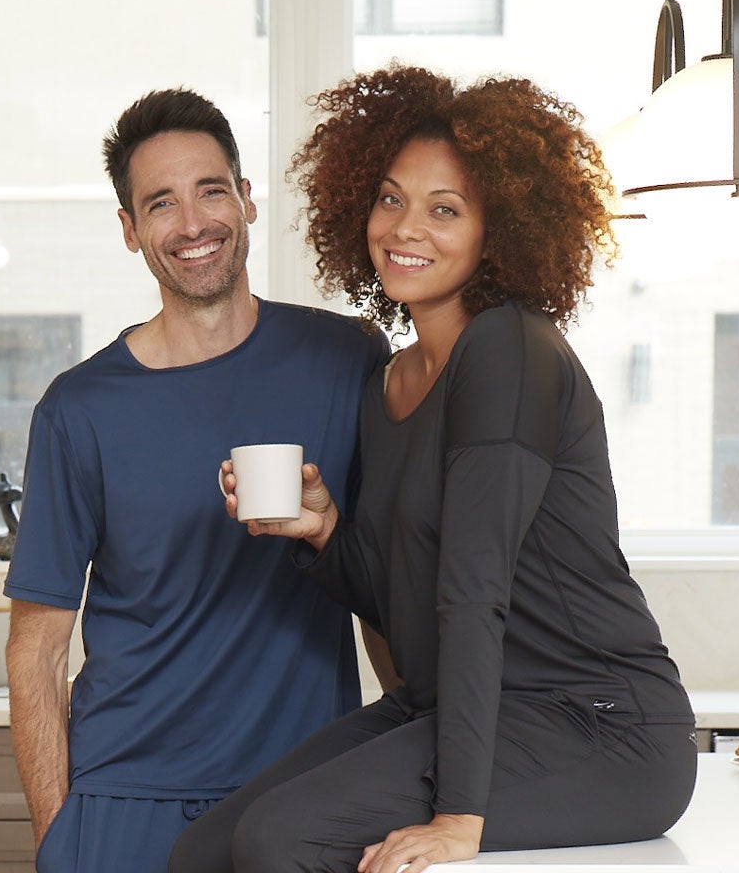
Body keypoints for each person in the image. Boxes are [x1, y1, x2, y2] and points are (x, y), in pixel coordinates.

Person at [168, 66, 696, 873]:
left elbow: (474, 590)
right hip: (455, 707)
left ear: (502, 230)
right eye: (390, 199)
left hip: (598, 726)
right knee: (202, 853)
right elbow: (404, 598)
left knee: (279, 842)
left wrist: (460, 816)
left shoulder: (509, 351)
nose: (405, 228)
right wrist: (324, 532)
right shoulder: (392, 382)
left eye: (445, 209)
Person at [4, 88, 393, 873]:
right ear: (130, 230)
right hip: (125, 803)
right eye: (160, 204)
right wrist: (60, 839)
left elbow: (386, 583)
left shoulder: (347, 359)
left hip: (302, 796)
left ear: (247, 200)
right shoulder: (78, 410)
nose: (192, 225)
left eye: (211, 190)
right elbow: (35, 653)